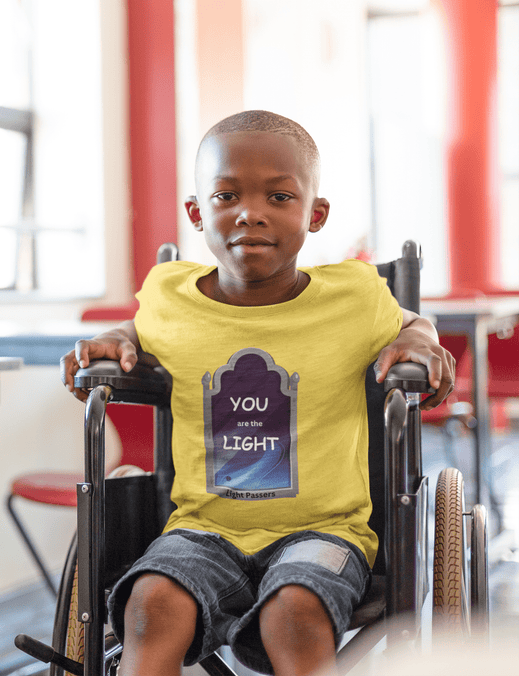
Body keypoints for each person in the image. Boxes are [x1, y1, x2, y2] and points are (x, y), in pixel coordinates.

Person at [61, 110, 454, 676]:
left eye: (279, 197)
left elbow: (413, 323)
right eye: (226, 196)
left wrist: (420, 341)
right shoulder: (170, 296)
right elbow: (138, 333)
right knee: (150, 604)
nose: (250, 213)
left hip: (325, 530)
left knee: (293, 611)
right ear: (198, 213)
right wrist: (111, 340)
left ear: (315, 214)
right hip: (201, 527)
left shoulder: (355, 297)